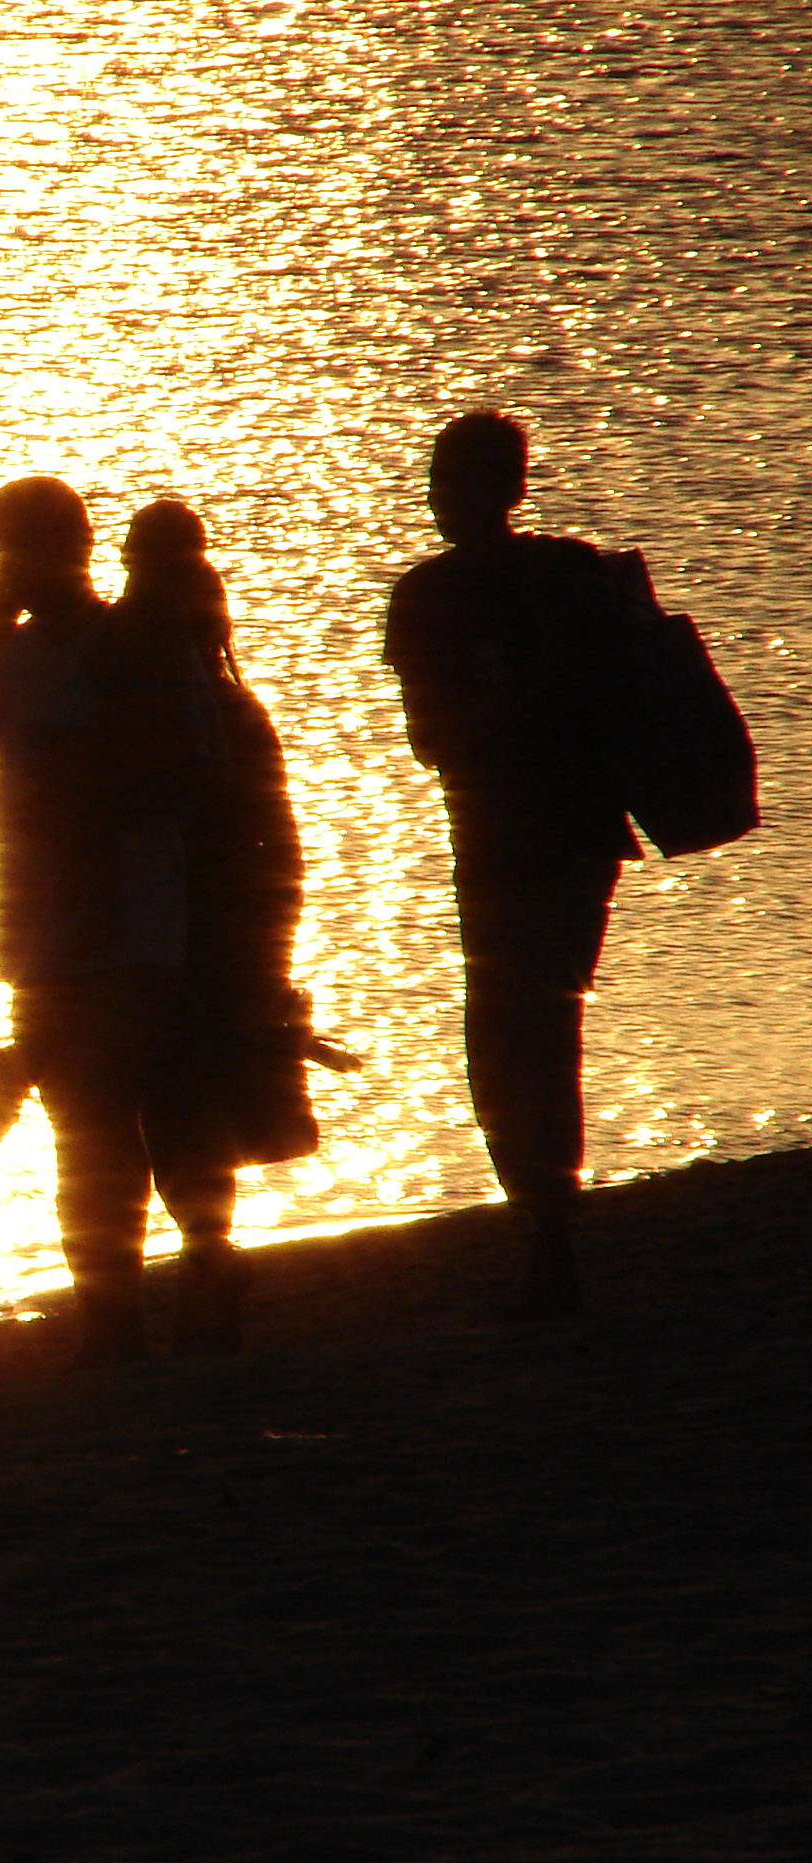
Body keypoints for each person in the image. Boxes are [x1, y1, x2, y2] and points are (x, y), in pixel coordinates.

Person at [0, 483, 310, 1363]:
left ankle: (183, 1283)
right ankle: (125, 1313)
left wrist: (78, 784)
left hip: (137, 922)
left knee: (137, 1109)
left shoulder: (133, 640)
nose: (14, 567)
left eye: (27, 547)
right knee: (82, 1126)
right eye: (1, 551)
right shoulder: (11, 654)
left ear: (77, 545)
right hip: (37, 929)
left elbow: (189, 777)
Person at [384, 411, 640, 1316]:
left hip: (520, 844)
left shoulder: (429, 598)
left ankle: (548, 1231)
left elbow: (432, 741)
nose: (440, 498)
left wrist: (506, 713)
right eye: (439, 480)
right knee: (538, 1025)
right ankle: (547, 1225)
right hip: (564, 840)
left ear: (496, 489)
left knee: (513, 1035)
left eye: (450, 481)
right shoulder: (570, 573)